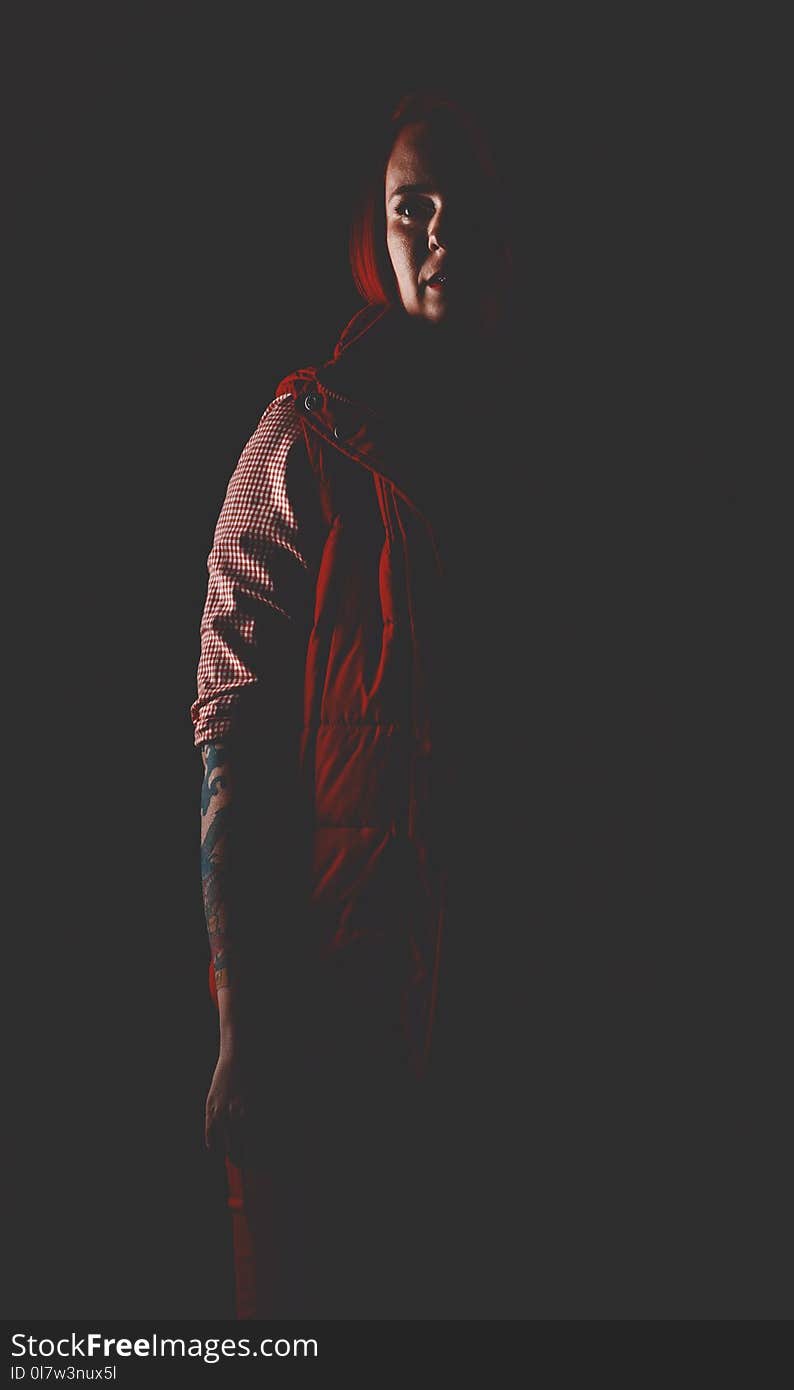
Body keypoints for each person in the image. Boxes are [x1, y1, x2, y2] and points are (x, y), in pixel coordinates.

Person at [191, 90, 514, 1319]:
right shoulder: (304, 441)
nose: (437, 234)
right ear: (372, 238)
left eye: (462, 207)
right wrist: (245, 1027)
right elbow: (232, 715)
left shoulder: (569, 445)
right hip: (349, 1010)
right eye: (408, 208)